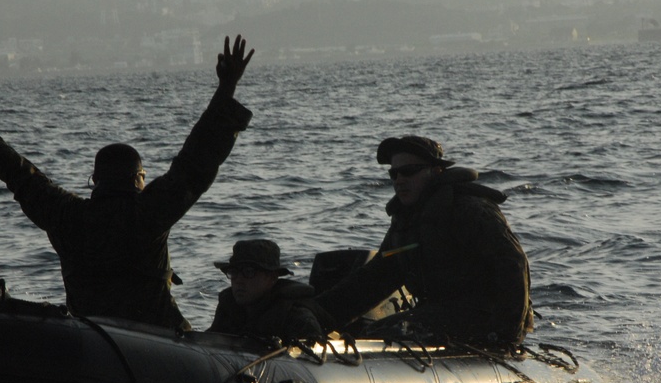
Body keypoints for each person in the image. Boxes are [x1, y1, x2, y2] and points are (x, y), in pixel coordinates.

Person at [0, 35, 255, 330]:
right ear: (138, 180)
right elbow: (197, 160)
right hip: (159, 338)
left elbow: (13, 168)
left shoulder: (65, 215)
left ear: (95, 181)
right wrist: (226, 87)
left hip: (91, 341)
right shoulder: (149, 213)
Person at [315, 135, 534, 348]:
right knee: (372, 333)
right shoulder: (406, 222)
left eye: (409, 171)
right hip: (438, 314)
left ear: (436, 171)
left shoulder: (469, 209)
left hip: (487, 317)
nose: (399, 180)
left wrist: (505, 336)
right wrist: (316, 314)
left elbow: (513, 264)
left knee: (392, 331)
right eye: (394, 173)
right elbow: (376, 278)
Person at [208, 239, 324, 342]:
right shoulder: (228, 308)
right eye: (233, 272)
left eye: (248, 272)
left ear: (272, 278)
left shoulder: (295, 316)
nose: (238, 280)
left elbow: (314, 357)